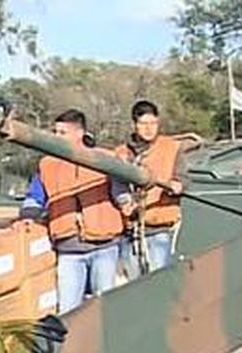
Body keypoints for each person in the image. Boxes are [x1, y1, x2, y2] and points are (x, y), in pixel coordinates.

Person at [21, 109, 130, 312]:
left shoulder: (104, 158)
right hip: (68, 249)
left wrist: (126, 202)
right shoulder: (47, 165)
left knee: (105, 308)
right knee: (68, 311)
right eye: (55, 132)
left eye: (62, 133)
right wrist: (28, 216)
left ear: (79, 133)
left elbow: (120, 191)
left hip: (104, 247)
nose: (56, 137)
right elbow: (35, 196)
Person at [116, 100, 185, 278]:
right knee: (134, 286)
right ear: (134, 125)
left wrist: (177, 185)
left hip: (160, 227)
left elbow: (182, 178)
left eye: (153, 123)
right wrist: (125, 201)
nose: (149, 128)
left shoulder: (171, 147)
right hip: (131, 231)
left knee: (159, 283)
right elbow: (116, 184)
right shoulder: (122, 153)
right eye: (144, 124)